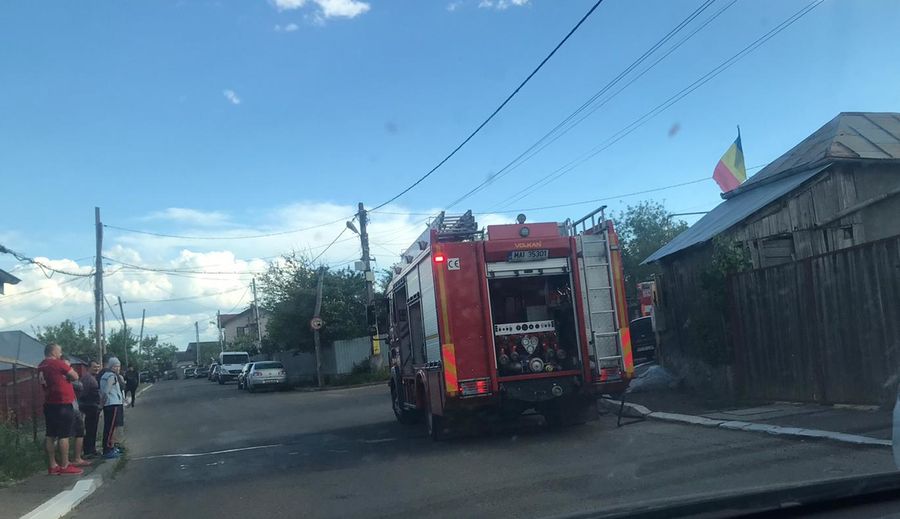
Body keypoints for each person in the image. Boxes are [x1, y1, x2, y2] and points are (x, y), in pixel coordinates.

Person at [37, 343, 83, 475]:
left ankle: (52, 465)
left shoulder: (41, 366)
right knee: (64, 435)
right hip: (62, 402)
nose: (61, 354)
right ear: (53, 352)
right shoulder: (57, 363)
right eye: (59, 351)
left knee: (50, 434)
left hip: (49, 402)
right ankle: (65, 464)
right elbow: (75, 376)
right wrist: (67, 375)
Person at [100, 357, 126, 459]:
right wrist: (102, 403)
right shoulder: (111, 376)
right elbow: (106, 391)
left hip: (110, 404)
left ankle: (111, 447)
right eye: (115, 366)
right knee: (110, 428)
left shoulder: (105, 375)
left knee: (110, 427)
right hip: (112, 404)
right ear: (111, 366)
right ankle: (108, 450)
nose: (117, 368)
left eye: (119, 366)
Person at [79, 360, 102, 458]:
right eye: (94, 367)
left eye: (98, 367)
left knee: (93, 429)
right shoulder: (87, 378)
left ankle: (92, 450)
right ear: (89, 367)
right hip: (89, 407)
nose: (97, 369)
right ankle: (88, 451)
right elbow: (83, 393)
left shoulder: (92, 377)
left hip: (93, 407)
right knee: (90, 430)